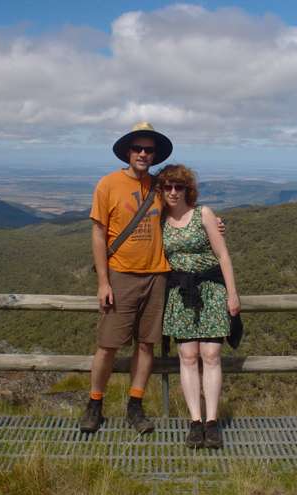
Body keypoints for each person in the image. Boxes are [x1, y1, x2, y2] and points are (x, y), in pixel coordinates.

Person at [79, 122, 172, 434]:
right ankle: (94, 403)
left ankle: (135, 405)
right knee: (107, 345)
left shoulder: (161, 186)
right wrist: (103, 282)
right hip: (120, 275)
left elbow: (184, 213)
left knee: (146, 345)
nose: (144, 153)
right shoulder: (108, 184)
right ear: (128, 152)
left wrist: (215, 223)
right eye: (138, 148)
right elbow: (98, 233)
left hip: (157, 275)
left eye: (149, 149)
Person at [158, 164, 241, 449]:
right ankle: (195, 421)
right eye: (167, 186)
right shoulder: (159, 219)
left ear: (187, 189)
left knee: (212, 353)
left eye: (178, 186)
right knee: (188, 355)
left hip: (210, 290)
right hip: (181, 293)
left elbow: (223, 254)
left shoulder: (203, 214)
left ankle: (212, 421)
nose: (172, 191)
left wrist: (233, 294)